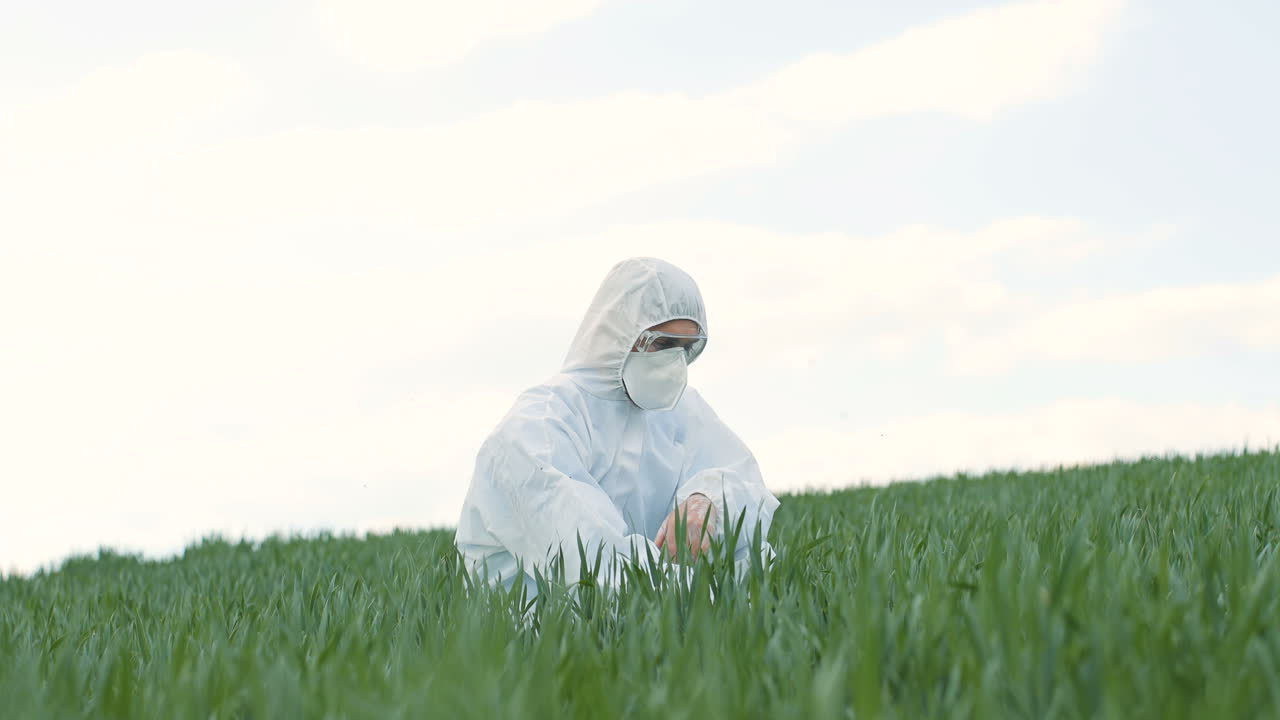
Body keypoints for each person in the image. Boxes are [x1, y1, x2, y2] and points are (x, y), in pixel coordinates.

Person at [454, 257, 780, 593]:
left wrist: (709, 500)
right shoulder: (538, 426)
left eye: (685, 348)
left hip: (652, 622)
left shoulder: (679, 410)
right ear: (619, 334)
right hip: (531, 633)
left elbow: (742, 481)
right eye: (664, 344)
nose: (674, 363)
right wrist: (709, 607)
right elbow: (594, 562)